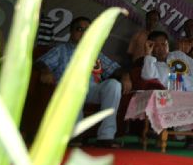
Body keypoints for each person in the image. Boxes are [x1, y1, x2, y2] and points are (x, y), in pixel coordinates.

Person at [36, 16, 130, 148]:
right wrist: (45, 71)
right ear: (71, 32)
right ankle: (75, 134)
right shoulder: (61, 50)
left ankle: (106, 137)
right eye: (79, 29)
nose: (84, 33)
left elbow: (115, 69)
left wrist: (125, 76)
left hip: (91, 89)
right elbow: (41, 62)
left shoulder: (95, 53)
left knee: (114, 85)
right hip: (69, 89)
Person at [141, 30, 193, 151]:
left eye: (164, 44)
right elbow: (147, 77)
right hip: (173, 96)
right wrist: (148, 55)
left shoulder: (178, 56)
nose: (161, 48)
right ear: (151, 46)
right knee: (179, 101)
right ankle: (188, 137)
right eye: (157, 45)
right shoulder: (151, 64)